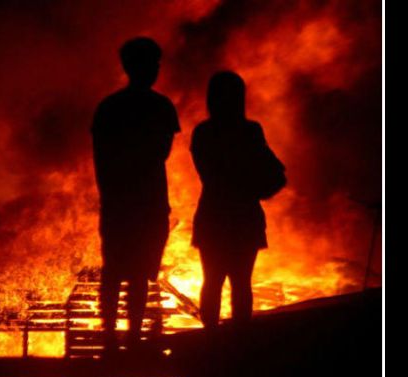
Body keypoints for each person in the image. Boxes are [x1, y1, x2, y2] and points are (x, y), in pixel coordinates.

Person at [91, 37, 180, 354]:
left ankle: (115, 337)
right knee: (134, 272)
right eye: (151, 63)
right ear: (135, 66)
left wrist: (110, 195)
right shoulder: (160, 107)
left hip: (122, 202)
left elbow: (101, 158)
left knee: (117, 271)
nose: (155, 69)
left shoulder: (109, 108)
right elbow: (161, 153)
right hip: (145, 202)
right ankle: (127, 338)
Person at [190, 71, 286, 329]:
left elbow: (211, 172)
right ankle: (239, 339)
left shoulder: (204, 133)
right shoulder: (250, 131)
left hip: (215, 215)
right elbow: (276, 173)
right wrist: (255, 188)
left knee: (213, 281)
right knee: (240, 282)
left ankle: (212, 337)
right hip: (242, 216)